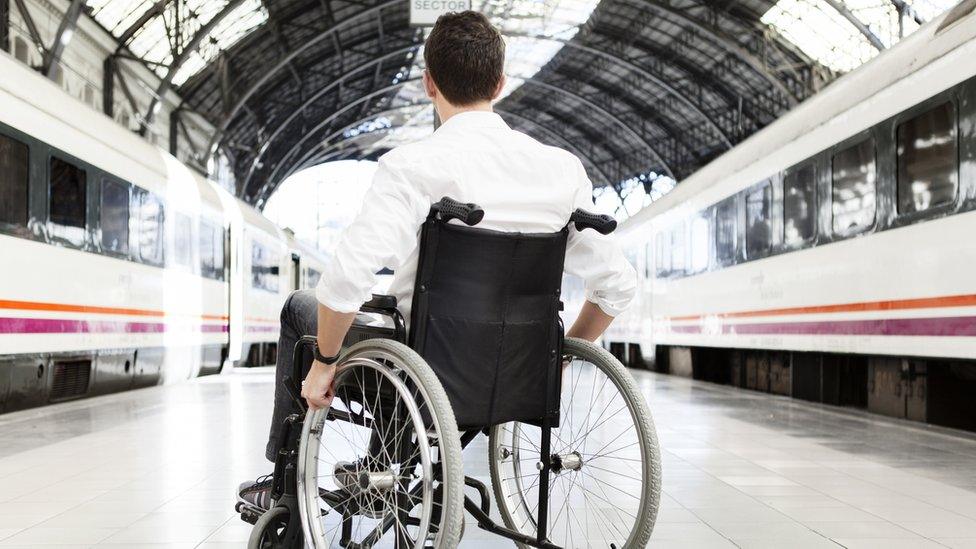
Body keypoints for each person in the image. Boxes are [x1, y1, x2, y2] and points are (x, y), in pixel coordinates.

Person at [238, 10, 637, 509]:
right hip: (517, 373)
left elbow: (345, 280)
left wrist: (323, 364)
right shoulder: (561, 171)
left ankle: (281, 486)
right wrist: (554, 357)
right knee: (398, 337)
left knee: (304, 307)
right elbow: (617, 286)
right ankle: (380, 464)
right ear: (500, 82)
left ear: (429, 84)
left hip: (420, 366)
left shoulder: (414, 166)